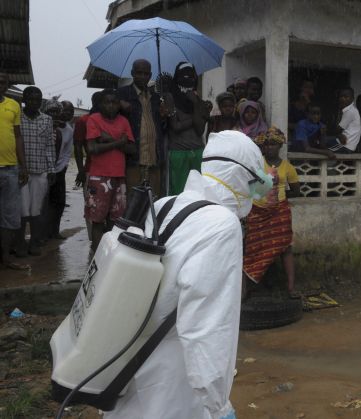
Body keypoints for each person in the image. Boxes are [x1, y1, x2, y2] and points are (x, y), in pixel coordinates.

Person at [105, 130, 269, 419]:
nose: (254, 196)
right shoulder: (221, 224)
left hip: (131, 358)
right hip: (173, 378)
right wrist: (218, 405)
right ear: (241, 177)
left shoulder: (165, 204)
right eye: (255, 186)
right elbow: (205, 326)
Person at [243, 127, 301, 299]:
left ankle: (291, 288)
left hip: (279, 211)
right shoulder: (257, 163)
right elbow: (250, 188)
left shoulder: (288, 168)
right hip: (257, 212)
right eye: (266, 145)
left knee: (285, 248)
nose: (269, 148)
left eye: (273, 145)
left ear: (280, 146)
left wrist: (278, 195)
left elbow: (296, 190)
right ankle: (246, 291)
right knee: (252, 248)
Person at [86, 89, 136, 252]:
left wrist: (109, 140)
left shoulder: (123, 121)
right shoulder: (94, 119)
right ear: (100, 104)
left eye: (114, 102)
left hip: (119, 177)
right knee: (98, 219)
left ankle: (111, 255)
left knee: (116, 220)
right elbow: (92, 148)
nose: (111, 106)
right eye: (107, 102)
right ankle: (95, 254)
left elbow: (132, 149)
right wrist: (118, 142)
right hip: (99, 177)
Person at [14, 87, 56, 257]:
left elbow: (49, 146)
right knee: (22, 211)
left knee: (36, 210)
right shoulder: (17, 119)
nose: (34, 102)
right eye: (31, 99)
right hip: (20, 172)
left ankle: (34, 243)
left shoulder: (47, 120)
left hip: (40, 171)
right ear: (24, 100)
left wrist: (51, 169)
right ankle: (20, 244)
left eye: (38, 100)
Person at [117, 59, 166, 197]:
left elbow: (161, 128)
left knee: (153, 202)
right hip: (133, 160)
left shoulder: (156, 98)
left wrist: (163, 116)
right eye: (139, 73)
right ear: (132, 73)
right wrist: (119, 104)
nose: (142, 76)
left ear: (150, 75)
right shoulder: (122, 94)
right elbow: (101, 106)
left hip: (154, 159)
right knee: (132, 203)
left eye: (146, 73)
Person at [0, 73, 29, 270]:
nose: (0, 84)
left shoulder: (14, 105)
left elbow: (18, 137)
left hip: (10, 168)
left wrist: (23, 165)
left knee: (10, 217)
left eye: (3, 81)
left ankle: (6, 259)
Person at [166, 62, 209, 195]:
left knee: (198, 192)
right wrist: (200, 115)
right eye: (184, 75)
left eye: (191, 76)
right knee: (178, 193)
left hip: (198, 152)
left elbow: (200, 130)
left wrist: (196, 103)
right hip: (178, 153)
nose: (187, 79)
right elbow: (176, 127)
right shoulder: (169, 97)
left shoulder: (197, 100)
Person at [74, 91, 101, 241]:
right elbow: (77, 147)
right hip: (90, 169)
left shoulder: (114, 120)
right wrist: (80, 170)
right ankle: (93, 240)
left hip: (109, 170)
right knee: (91, 207)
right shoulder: (83, 121)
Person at [47, 100, 74, 240]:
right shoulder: (48, 126)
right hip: (44, 170)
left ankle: (54, 231)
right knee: (44, 203)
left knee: (60, 202)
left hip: (59, 171)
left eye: (71, 111)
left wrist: (60, 169)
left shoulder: (69, 130)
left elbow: (66, 153)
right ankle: (42, 234)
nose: (67, 113)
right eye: (65, 110)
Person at [326, 87, 360, 154]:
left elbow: (337, 130)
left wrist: (337, 134)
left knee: (322, 143)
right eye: (341, 96)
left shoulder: (350, 111)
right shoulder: (348, 110)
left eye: (346, 97)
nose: (342, 99)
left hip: (345, 145)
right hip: (345, 143)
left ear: (352, 98)